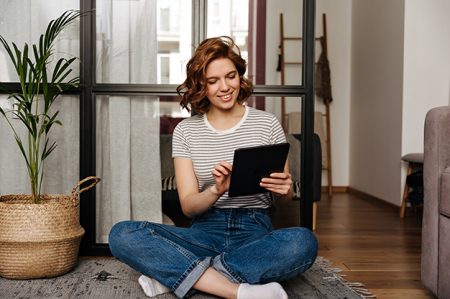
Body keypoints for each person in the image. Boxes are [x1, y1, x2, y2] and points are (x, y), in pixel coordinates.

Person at [109, 36, 318, 299]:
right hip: (204, 231)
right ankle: (236, 289)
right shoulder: (186, 131)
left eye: (230, 76)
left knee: (303, 242)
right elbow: (188, 206)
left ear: (239, 77)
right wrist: (216, 190)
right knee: (122, 234)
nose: (224, 87)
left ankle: (181, 277)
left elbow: (283, 199)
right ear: (201, 86)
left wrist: (285, 189)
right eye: (213, 81)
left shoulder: (267, 124)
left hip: (254, 230)